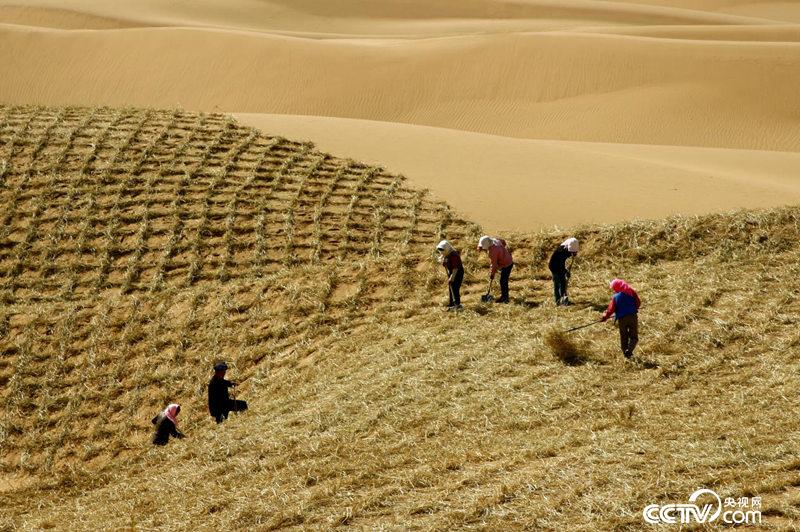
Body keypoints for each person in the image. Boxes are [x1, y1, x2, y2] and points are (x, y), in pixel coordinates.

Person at [601, 279, 641, 359]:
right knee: (634, 337)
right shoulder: (631, 292)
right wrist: (633, 308)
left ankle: (626, 354)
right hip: (633, 316)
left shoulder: (616, 297)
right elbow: (638, 303)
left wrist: (604, 317)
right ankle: (629, 351)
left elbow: (610, 310)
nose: (614, 290)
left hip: (622, 319)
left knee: (624, 336)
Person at [477, 235, 513, 303]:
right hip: (508, 259)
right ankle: (504, 296)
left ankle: (505, 298)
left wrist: (492, 274)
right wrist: (504, 250)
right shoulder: (494, 240)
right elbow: (503, 241)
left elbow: (494, 265)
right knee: (503, 281)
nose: (483, 249)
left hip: (507, 264)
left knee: (503, 282)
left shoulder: (493, 251)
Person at [549, 237, 579, 306]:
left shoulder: (568, 250)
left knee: (563, 283)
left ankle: (564, 299)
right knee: (557, 283)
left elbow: (563, 263)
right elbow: (560, 264)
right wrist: (566, 271)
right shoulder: (561, 251)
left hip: (560, 266)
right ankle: (558, 301)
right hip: (554, 267)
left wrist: (573, 254)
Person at [437, 240, 463, 310]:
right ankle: (452, 303)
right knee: (451, 287)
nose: (441, 252)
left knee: (455, 288)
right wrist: (443, 262)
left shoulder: (454, 255)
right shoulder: (447, 253)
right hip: (451, 272)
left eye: (442, 250)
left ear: (446, 248)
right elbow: (446, 263)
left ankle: (457, 304)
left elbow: (455, 268)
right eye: (440, 250)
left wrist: (452, 277)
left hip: (457, 273)